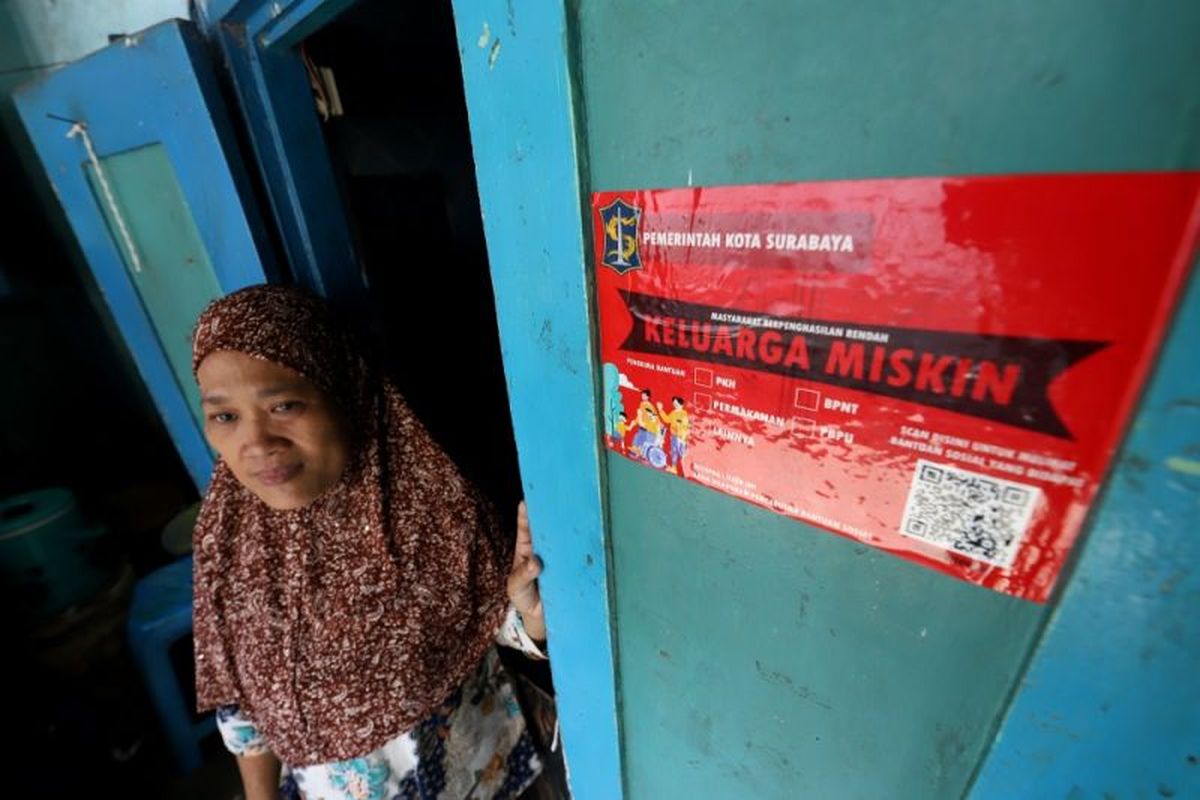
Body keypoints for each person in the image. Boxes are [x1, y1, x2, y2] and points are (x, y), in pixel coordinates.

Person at [189, 285, 548, 800]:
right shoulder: (227, 543)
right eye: (225, 416)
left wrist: (529, 612)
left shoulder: (430, 508)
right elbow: (240, 705)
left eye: (285, 405)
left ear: (346, 392)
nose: (257, 443)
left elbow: (497, 628)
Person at [656, 396, 689, 476]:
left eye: (676, 403)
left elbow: (684, 427)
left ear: (681, 405)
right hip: (674, 436)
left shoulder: (683, 414)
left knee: (681, 453)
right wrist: (660, 410)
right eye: (674, 403)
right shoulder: (673, 413)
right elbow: (667, 419)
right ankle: (674, 468)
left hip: (680, 438)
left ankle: (684, 470)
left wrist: (682, 438)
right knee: (674, 452)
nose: (674, 405)